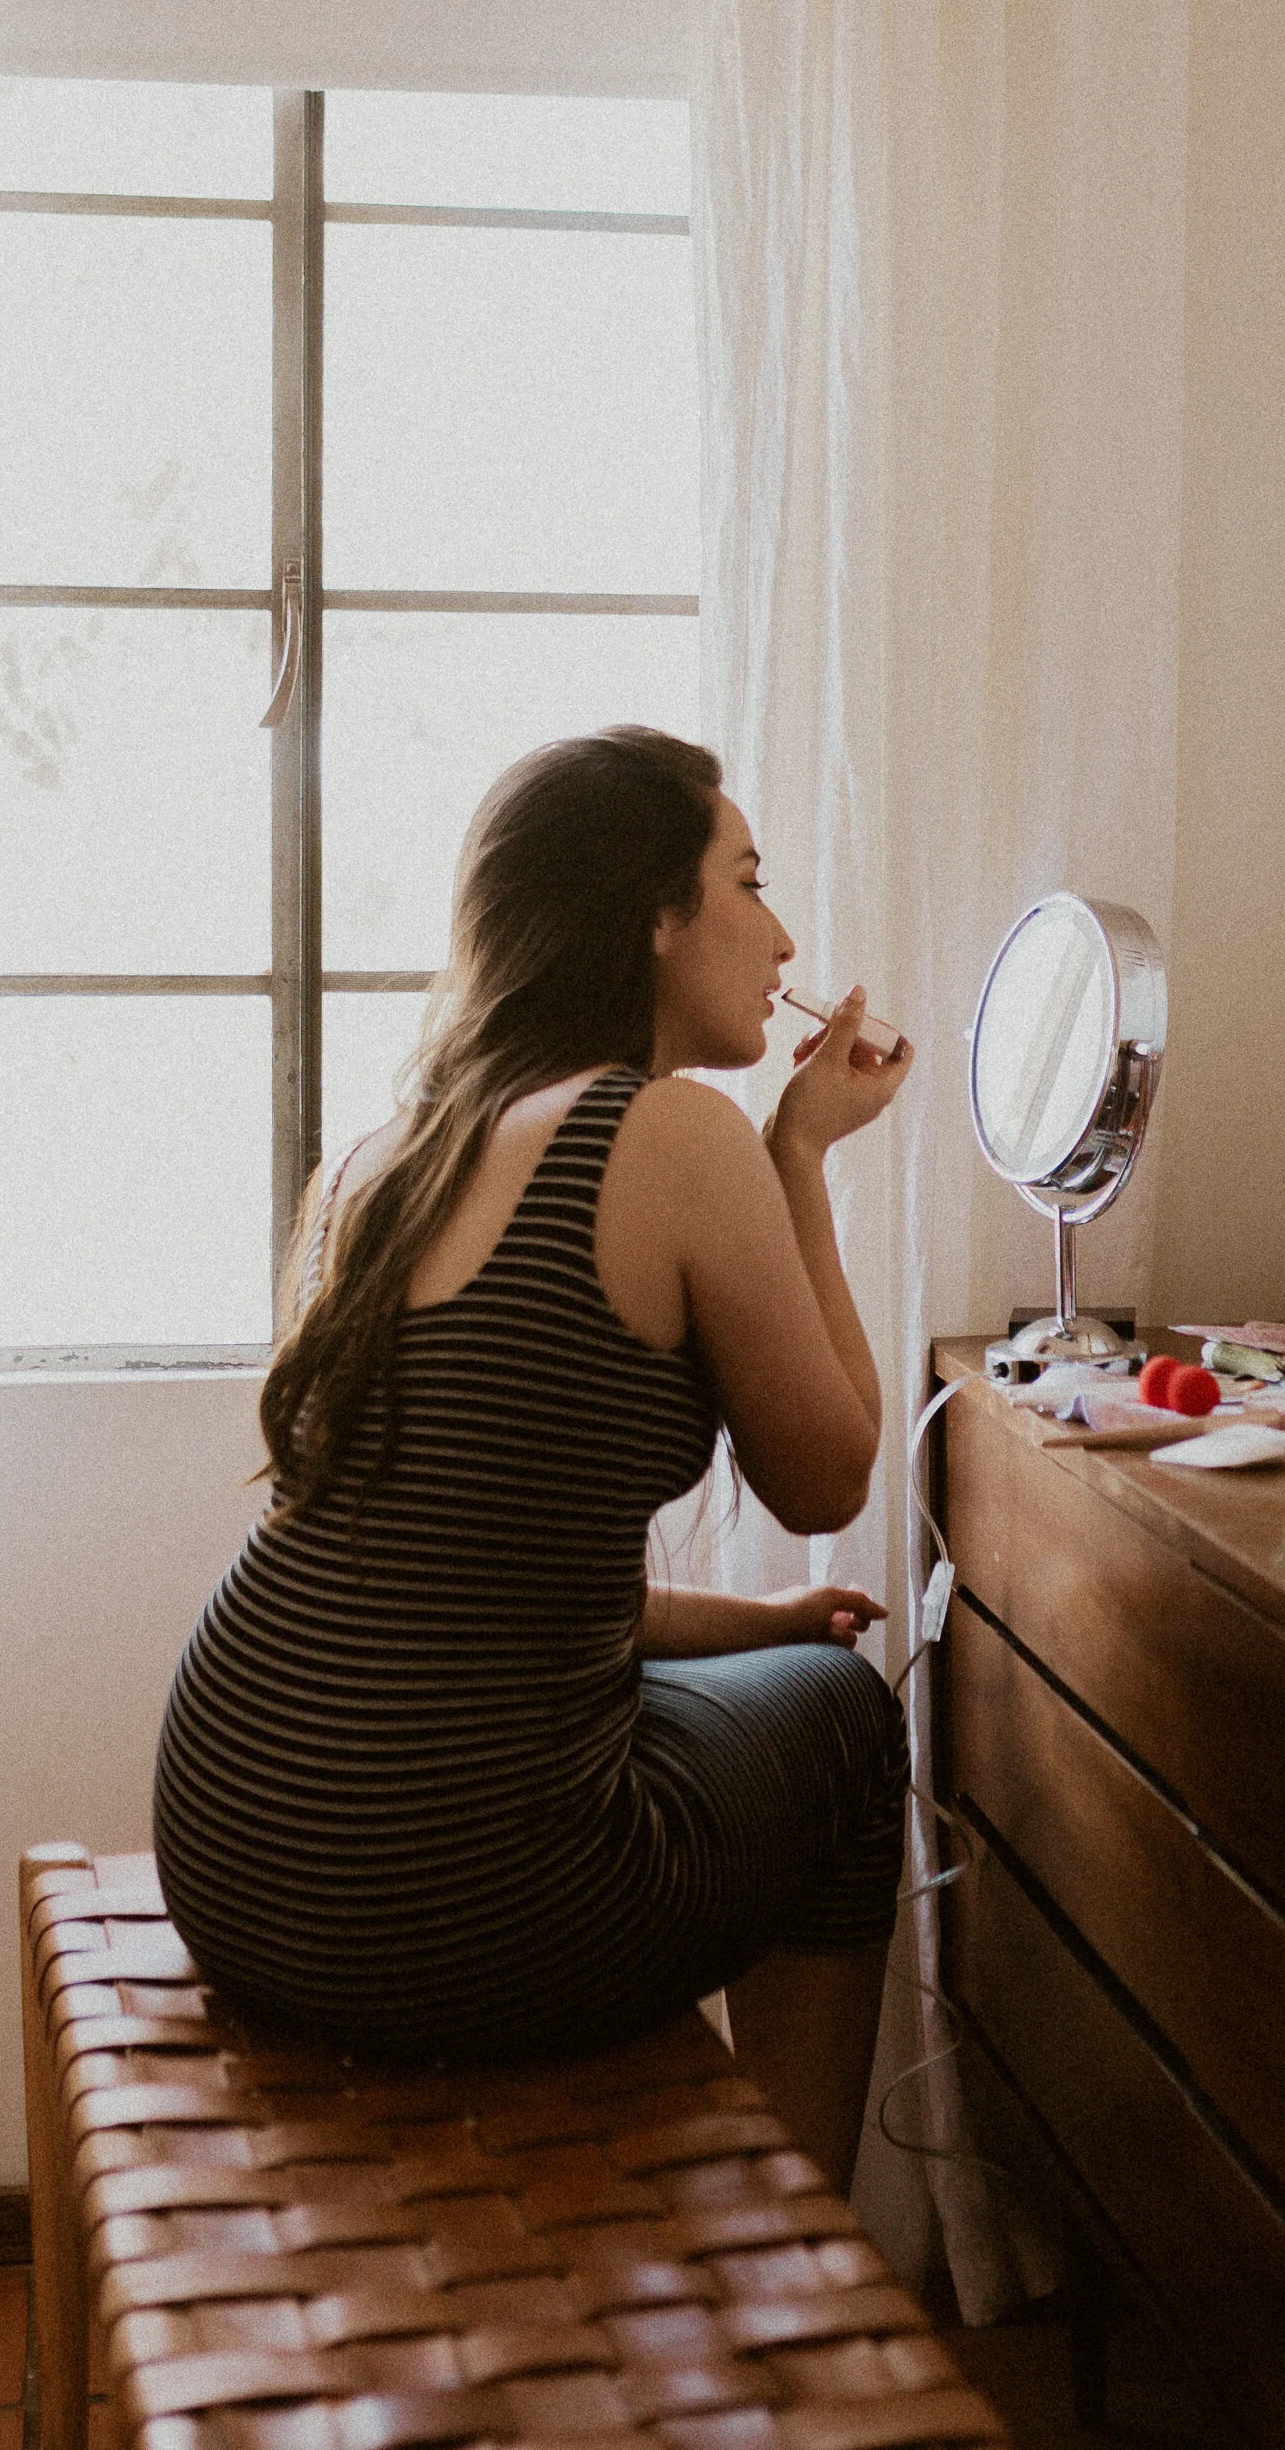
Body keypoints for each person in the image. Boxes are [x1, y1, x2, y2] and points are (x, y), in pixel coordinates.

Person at [153, 726, 913, 2191]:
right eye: (747, 882)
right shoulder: (673, 1137)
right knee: (843, 1730)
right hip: (458, 1903)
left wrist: (747, 1626)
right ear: (652, 916)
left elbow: (483, 1585)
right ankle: (805, 2258)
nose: (786, 935)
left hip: (236, 1849)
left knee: (782, 1667)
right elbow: (833, 1475)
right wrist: (800, 1158)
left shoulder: (381, 1160)